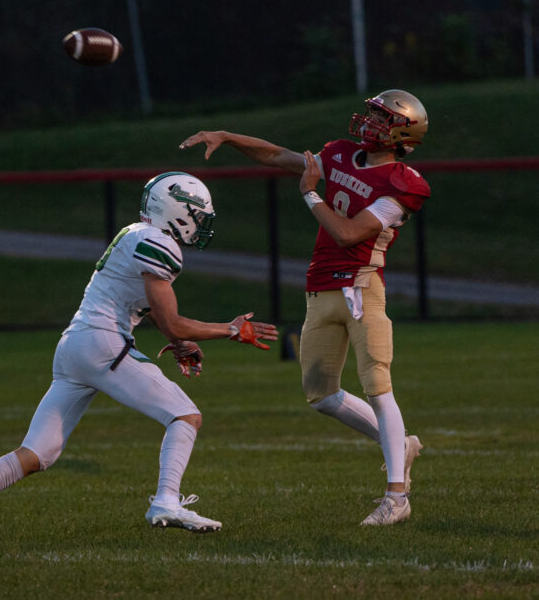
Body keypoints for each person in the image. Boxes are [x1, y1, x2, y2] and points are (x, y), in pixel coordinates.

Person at [0, 171, 277, 549]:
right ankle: (166, 500)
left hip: (75, 344)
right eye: (197, 215)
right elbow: (171, 318)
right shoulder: (158, 244)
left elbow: (150, 309)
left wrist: (179, 342)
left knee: (39, 452)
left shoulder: (136, 232)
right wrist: (231, 330)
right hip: (104, 342)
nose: (200, 225)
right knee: (185, 415)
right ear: (178, 212)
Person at [181, 89, 431, 526]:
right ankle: (399, 444)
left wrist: (310, 195)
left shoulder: (404, 183)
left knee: (378, 385)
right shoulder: (338, 153)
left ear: (400, 133)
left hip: (362, 288)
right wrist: (228, 135)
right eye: (371, 114)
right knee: (322, 396)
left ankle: (397, 495)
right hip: (319, 290)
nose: (368, 122)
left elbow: (350, 234)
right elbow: (278, 155)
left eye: (380, 118)